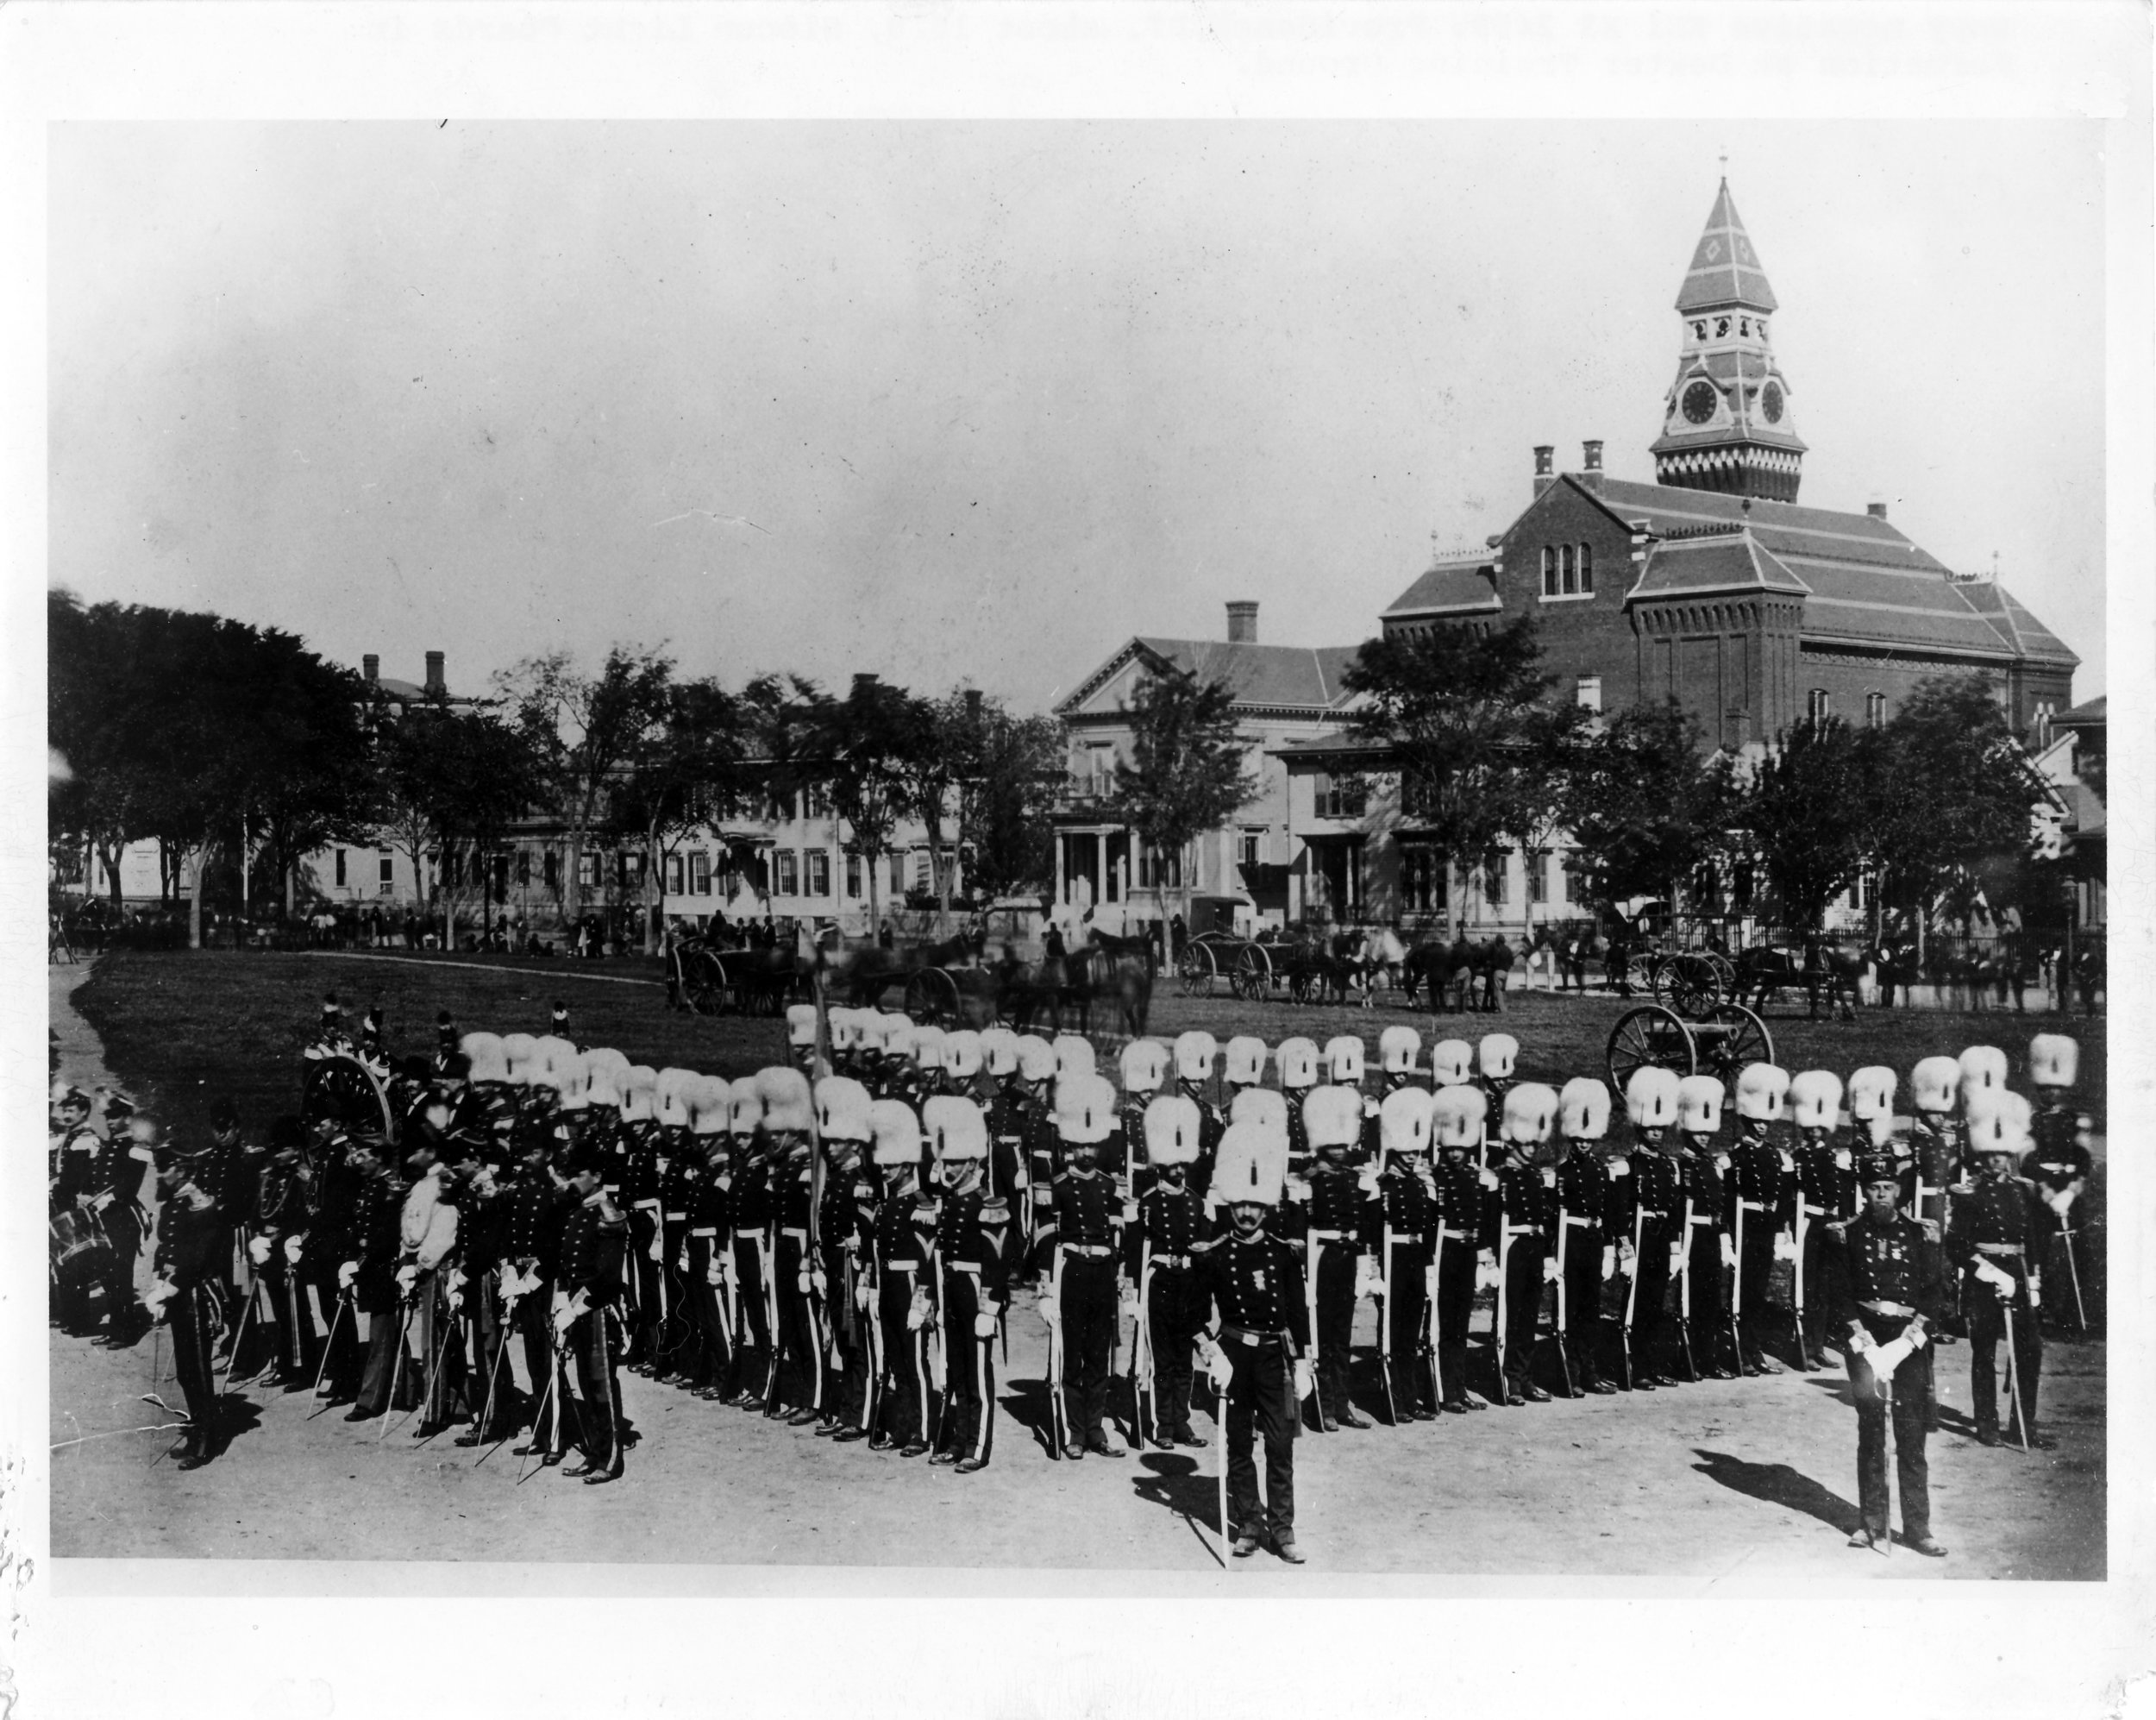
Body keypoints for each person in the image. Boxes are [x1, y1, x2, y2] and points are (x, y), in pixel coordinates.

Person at [1194, 1118, 1311, 1563]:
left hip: (1274, 1359)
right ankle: (1248, 1522)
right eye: (1239, 1204)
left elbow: (1298, 1312)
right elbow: (1194, 1312)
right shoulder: (1217, 1253)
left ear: (1267, 1207)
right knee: (1239, 1443)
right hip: (1234, 1357)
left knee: (1280, 1445)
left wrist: (1303, 1362)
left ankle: (1283, 1529)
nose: (1246, 1213)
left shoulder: (1283, 1252)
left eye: (1254, 1206)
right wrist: (1210, 1351)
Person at [1824, 1152, 1947, 1556]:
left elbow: (1934, 1290)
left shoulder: (1921, 1232)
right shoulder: (1847, 1233)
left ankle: (1919, 1528)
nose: (1881, 1194)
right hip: (1866, 1339)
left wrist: (1911, 1339)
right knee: (1872, 1431)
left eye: (1888, 1188)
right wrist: (1865, 1343)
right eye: (1874, 1188)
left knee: (1911, 1435)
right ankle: (1871, 1524)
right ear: (1864, 1191)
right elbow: (1839, 1293)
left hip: (1908, 1340)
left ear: (1898, 1190)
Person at [1948, 1094, 2053, 1448]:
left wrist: (2033, 1280)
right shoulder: (1969, 1194)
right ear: (1981, 1155)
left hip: (2020, 1276)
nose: (1998, 1160)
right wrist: (1988, 1272)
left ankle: (2023, 1423)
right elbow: (1957, 1246)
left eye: (2003, 1153)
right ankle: (1986, 1422)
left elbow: (2033, 1238)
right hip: (1984, 1280)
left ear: (2010, 1154)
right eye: (1991, 1154)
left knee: (2030, 1350)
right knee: (1985, 1351)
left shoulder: (2025, 1192)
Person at [1036, 1071, 1125, 1459]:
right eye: (1081, 1146)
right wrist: (1044, 1284)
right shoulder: (1057, 1187)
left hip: (1102, 1274)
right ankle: (1074, 1431)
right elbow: (1044, 1238)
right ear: (1070, 1143)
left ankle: (1095, 1428)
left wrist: (1124, 1280)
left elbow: (1121, 1238)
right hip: (1072, 1271)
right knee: (1072, 1353)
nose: (1087, 1153)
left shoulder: (1109, 1187)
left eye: (1094, 1146)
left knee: (1099, 1352)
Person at [924, 1095, 1010, 1472]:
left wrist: (990, 1306)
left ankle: (978, 1446)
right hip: (951, 1286)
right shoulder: (949, 1200)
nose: (949, 1166)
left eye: (957, 1161)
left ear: (973, 1161)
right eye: (947, 1159)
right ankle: (958, 1439)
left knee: (977, 1373)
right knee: (956, 1370)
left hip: (975, 1290)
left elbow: (999, 1258)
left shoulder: (986, 1201)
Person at [1129, 1093, 1213, 1448]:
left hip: (1188, 1284)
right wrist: (1132, 1290)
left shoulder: (1197, 1202)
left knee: (1184, 1357)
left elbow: (1206, 1253)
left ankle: (1182, 1422)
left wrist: (1205, 1295)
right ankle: (1163, 1424)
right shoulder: (1147, 1204)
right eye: (1172, 1164)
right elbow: (1135, 1250)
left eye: (1183, 1164)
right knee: (1162, 1358)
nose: (1179, 1170)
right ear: (1161, 1163)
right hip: (1160, 1281)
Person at [142, 1130, 229, 1469]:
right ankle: (196, 1429)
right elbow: (165, 1248)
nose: (160, 1174)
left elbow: (198, 1256)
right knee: (185, 1371)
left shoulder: (199, 1203)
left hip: (194, 1295)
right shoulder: (175, 1203)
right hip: (177, 1293)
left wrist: (171, 1285)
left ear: (179, 1167)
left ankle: (205, 1441)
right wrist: (156, 1282)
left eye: (164, 1167)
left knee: (198, 1367)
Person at [554, 1140, 630, 1483]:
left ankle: (610, 1461)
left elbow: (608, 1277)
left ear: (598, 1176)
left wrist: (577, 1307)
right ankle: (594, 1451)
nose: (573, 1180)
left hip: (596, 1311)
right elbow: (568, 1264)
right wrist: (562, 1302)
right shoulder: (578, 1212)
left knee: (602, 1386)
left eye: (580, 1174)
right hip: (576, 1308)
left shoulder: (608, 1215)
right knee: (586, 1382)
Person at [1366, 1086, 1437, 1420]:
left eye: (1415, 1152)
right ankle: (1391, 1399)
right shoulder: (1383, 1186)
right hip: (1392, 1262)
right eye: (1405, 1151)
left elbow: (1426, 1231)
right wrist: (1374, 1270)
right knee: (1392, 1334)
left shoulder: (1420, 1186)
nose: (1411, 1157)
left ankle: (1410, 1399)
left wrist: (1429, 1267)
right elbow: (1372, 1234)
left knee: (1411, 1333)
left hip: (1414, 1262)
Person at [1300, 1085, 1367, 1429]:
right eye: (1335, 1143)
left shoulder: (1354, 1179)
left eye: (1345, 1143)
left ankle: (1341, 1404)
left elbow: (1362, 1226)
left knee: (1342, 1335)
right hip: (1322, 1258)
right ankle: (1322, 1406)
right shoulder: (1310, 1181)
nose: (1342, 1150)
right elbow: (1303, 1232)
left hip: (1347, 1256)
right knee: (1323, 1334)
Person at [1486, 1084, 1557, 1404]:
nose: (1531, 1147)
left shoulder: (1536, 1176)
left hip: (1533, 1247)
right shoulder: (1501, 1176)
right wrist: (1489, 1259)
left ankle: (1524, 1376)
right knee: (1510, 1315)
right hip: (1511, 1247)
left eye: (1534, 1141)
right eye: (1525, 1140)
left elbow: (1547, 1219)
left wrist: (1548, 1255)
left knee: (1529, 1315)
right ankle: (1508, 1378)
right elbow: (1490, 1222)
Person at [1551, 1078, 1618, 1395]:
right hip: (1571, 1242)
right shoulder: (1561, 1174)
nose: (1583, 1144)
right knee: (1571, 1308)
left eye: (1589, 1139)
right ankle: (1570, 1373)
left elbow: (1606, 1212)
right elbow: (1554, 1218)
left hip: (1592, 1242)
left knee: (1591, 1310)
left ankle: (1589, 1370)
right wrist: (1552, 1257)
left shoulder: (1602, 1172)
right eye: (1578, 1138)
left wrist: (1608, 1250)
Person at [1428, 1086, 1489, 1412]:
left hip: (1466, 1253)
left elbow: (1478, 1219)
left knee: (1461, 1323)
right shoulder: (1436, 1178)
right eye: (1450, 1148)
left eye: (1460, 1148)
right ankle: (1444, 1390)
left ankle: (1459, 1386)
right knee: (1444, 1322)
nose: (1455, 1154)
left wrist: (1481, 1256)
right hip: (1446, 1252)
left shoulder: (1474, 1177)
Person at [1727, 1064, 1789, 1375]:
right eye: (1756, 1122)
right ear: (1746, 1121)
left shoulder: (1775, 1156)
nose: (1762, 1127)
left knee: (1759, 1292)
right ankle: (1739, 1349)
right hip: (1746, 1227)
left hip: (1766, 1228)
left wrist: (1780, 1230)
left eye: (1765, 1121)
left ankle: (1754, 1349)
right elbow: (1730, 1200)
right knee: (1743, 1290)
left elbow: (1780, 1196)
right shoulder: (1737, 1157)